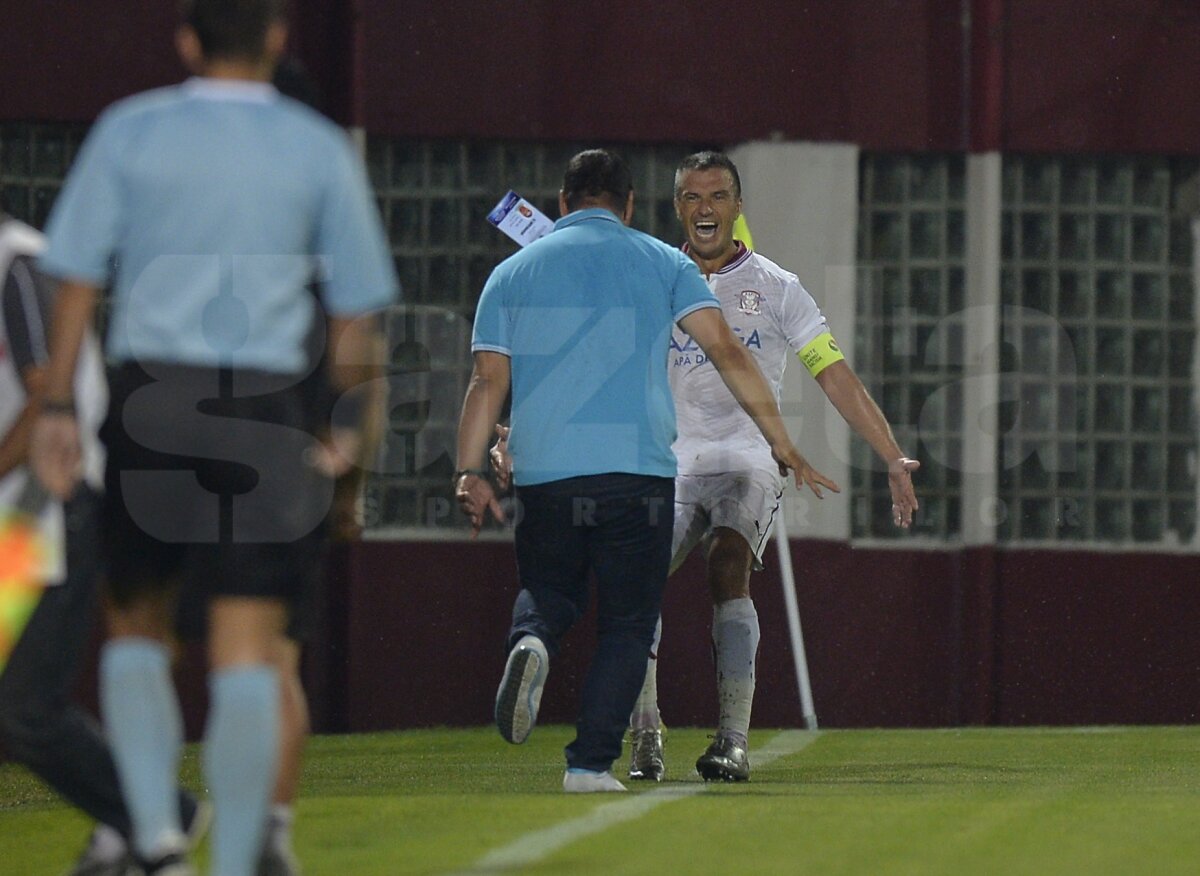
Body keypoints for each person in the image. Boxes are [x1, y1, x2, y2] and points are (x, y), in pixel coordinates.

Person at [29, 2, 397, 875]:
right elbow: (356, 318)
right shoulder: (315, 150)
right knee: (245, 653)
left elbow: (72, 284)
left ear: (187, 41)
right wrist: (351, 436)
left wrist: (52, 412)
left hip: (152, 395)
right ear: (276, 39)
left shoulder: (130, 130)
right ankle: (235, 859)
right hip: (265, 414)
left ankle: (154, 834)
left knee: (137, 630)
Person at [455, 148, 838, 793]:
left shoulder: (514, 273)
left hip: (548, 469)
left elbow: (488, 378)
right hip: (639, 470)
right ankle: (590, 762)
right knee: (630, 618)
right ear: (633, 206)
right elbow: (726, 352)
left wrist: (474, 469)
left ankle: (537, 642)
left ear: (560, 202)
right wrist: (784, 440)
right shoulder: (663, 264)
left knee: (552, 594)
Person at [630, 151, 920, 782]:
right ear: (677, 206)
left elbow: (835, 375)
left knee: (727, 562)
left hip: (750, 455)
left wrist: (891, 455)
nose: (704, 209)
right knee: (638, 574)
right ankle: (645, 731)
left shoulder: (778, 287)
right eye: (691, 197)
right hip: (672, 460)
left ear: (737, 206)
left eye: (717, 196)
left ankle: (732, 738)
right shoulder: (654, 279)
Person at [0, 210, 212, 876]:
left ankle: (155, 822)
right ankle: (136, 828)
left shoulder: (15, 260)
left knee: (24, 708)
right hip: (23, 518)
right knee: (19, 705)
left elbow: (43, 394)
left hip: (45, 511)